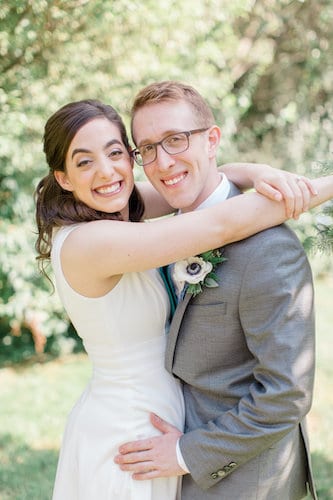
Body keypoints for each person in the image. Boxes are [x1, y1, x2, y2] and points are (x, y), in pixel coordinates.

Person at [35, 99, 332, 500]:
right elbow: (220, 221)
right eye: (83, 161)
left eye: (115, 152)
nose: (106, 171)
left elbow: (193, 181)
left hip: (164, 426)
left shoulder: (115, 209)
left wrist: (262, 173)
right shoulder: (91, 241)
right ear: (64, 177)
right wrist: (316, 188)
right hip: (130, 433)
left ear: (128, 158)